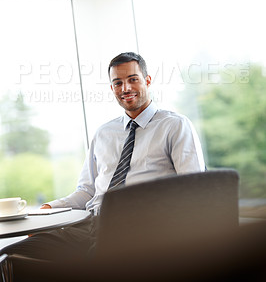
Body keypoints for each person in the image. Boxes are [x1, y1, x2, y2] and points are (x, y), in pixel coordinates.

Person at [0, 52, 205, 279]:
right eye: (118, 82)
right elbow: (87, 191)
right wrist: (49, 209)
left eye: (133, 79)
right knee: (9, 257)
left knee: (93, 262)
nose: (125, 87)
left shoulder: (174, 126)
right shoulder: (104, 133)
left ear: (147, 80)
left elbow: (192, 191)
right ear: (112, 88)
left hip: (140, 228)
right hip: (90, 225)